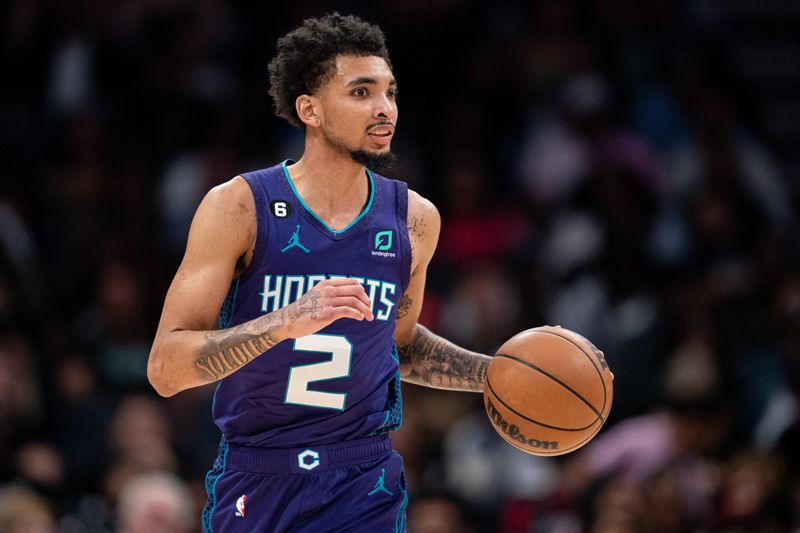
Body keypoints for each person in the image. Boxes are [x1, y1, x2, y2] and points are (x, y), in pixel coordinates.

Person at [147, 13, 492, 532]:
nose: (384, 109)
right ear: (308, 108)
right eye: (360, 92)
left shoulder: (415, 218)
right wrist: (284, 322)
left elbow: (397, 346)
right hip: (259, 475)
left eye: (390, 93)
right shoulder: (240, 206)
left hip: (363, 482)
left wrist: (494, 374)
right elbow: (166, 369)